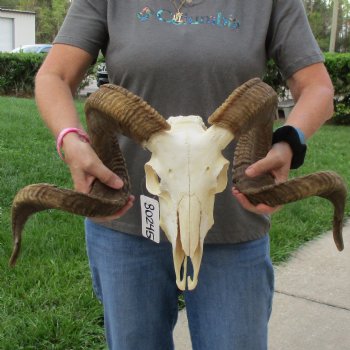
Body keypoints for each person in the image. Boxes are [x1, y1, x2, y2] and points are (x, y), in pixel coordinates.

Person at [34, 0, 334, 349]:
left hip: (230, 224)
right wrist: (70, 139)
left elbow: (318, 88)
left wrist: (287, 143)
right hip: (129, 222)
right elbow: (54, 76)